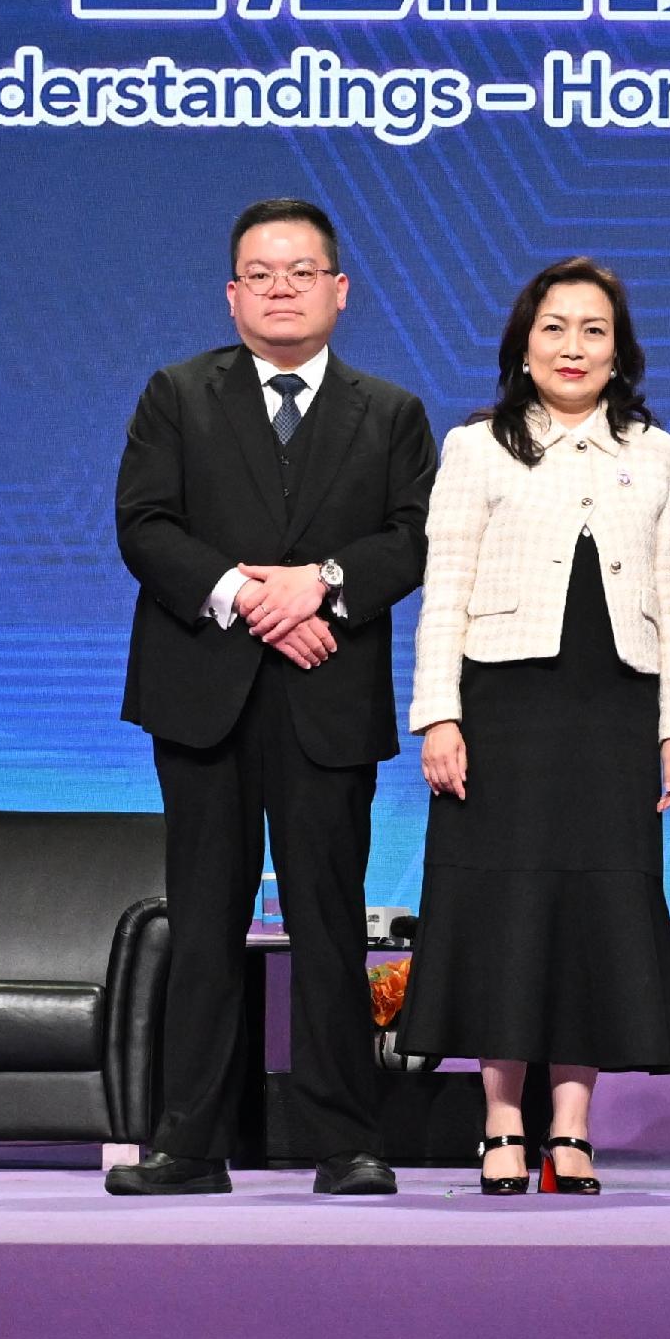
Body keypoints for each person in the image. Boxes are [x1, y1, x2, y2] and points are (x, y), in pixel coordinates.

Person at [108, 197, 437, 1197]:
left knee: (331, 922)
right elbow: (145, 524)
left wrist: (322, 584)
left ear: (339, 291)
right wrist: (252, 595)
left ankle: (345, 1141)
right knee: (203, 921)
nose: (281, 287)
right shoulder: (178, 393)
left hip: (325, 695)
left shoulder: (388, 413)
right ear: (232, 293)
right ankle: (190, 1141)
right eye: (260, 272)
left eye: (301, 271)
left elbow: (414, 535)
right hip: (202, 696)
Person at [400, 259, 670, 1194]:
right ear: (523, 349)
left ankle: (571, 1124)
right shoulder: (475, 447)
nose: (574, 347)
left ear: (620, 353)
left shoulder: (660, 453)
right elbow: (441, 592)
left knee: (596, 908)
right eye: (555, 329)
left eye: (594, 331)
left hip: (614, 707)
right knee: (504, 905)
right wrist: (438, 715)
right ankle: (500, 1120)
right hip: (502, 710)